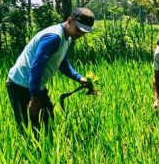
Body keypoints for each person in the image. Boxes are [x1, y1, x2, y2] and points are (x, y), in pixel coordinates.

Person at [6, 7, 95, 135]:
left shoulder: (67, 37)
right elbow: (36, 67)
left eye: (84, 32)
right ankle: (31, 153)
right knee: (29, 128)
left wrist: (79, 78)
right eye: (79, 29)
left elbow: (62, 63)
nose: (80, 34)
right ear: (70, 20)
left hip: (35, 84)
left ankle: (47, 152)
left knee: (47, 121)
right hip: (20, 84)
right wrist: (34, 97)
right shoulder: (53, 37)